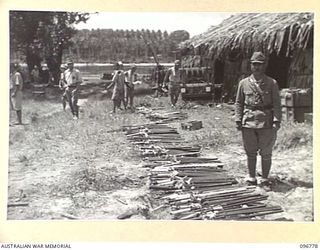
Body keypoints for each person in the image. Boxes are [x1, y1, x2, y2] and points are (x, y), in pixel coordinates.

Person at [235, 52, 281, 190]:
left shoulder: (272, 83)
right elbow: (239, 103)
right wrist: (238, 119)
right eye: (254, 64)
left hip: (266, 121)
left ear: (264, 66)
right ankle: (251, 176)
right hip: (248, 121)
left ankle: (265, 178)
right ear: (251, 65)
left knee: (266, 152)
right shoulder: (243, 83)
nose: (257, 67)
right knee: (250, 151)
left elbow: (277, 104)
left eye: (260, 65)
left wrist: (276, 120)